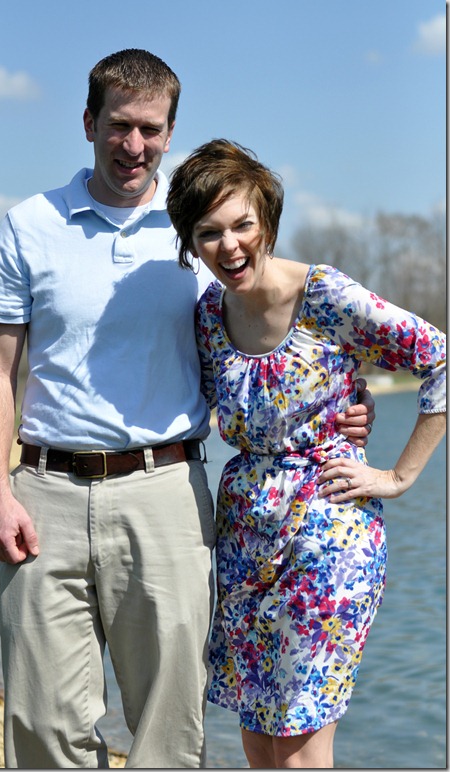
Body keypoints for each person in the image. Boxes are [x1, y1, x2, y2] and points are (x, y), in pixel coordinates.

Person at [0, 51, 374, 769]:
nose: (134, 144)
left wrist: (344, 401)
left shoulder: (202, 230)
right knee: (41, 725)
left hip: (167, 496)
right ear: (89, 123)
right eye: (119, 125)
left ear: (170, 133)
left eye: (151, 129)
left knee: (168, 731)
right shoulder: (29, 226)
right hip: (43, 496)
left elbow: (271, 337)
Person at [166, 139, 446, 769]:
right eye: (209, 233)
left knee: (298, 747)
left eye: (242, 224)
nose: (230, 246)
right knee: (258, 742)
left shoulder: (324, 295)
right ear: (191, 243)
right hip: (245, 540)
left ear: (267, 218)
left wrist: (397, 476)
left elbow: (440, 359)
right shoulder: (208, 315)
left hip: (327, 532)